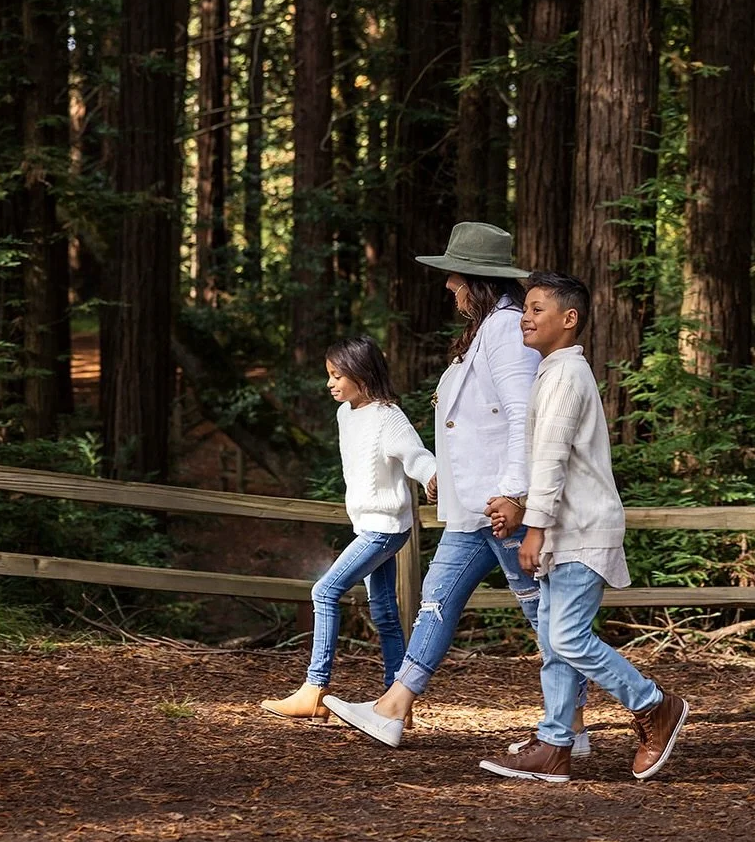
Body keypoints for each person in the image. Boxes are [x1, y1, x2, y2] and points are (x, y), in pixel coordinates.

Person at [323, 223, 588, 750]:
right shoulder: (486, 330)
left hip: (499, 505)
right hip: (473, 503)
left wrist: (515, 495)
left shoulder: (506, 331)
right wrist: (446, 474)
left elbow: (521, 417)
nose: (448, 287)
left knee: (544, 614)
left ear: (476, 279)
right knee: (436, 601)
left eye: (454, 277)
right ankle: (393, 708)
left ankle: (579, 724)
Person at [478, 272, 688, 783]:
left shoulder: (566, 376)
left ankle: (653, 705)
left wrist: (534, 527)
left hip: (580, 531)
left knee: (569, 639)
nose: (524, 318)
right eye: (524, 309)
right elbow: (549, 463)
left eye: (536, 309)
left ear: (569, 319)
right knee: (554, 644)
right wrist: (521, 505)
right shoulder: (554, 373)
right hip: (564, 528)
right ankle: (554, 745)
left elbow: (552, 459)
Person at [260, 336, 437, 722]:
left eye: (337, 375)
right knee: (386, 612)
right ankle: (397, 701)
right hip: (370, 526)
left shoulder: (388, 416)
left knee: (324, 591)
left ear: (361, 374)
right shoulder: (346, 415)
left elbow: (415, 454)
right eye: (329, 375)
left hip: (385, 528)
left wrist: (432, 477)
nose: (330, 383)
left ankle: (314, 689)